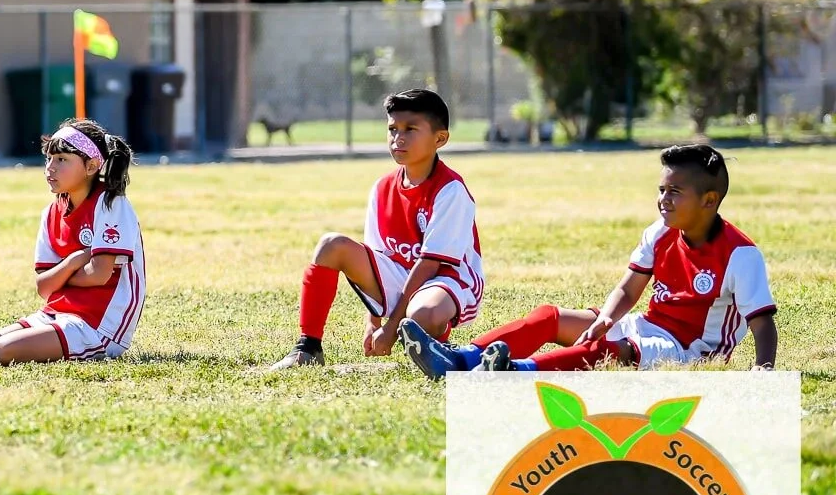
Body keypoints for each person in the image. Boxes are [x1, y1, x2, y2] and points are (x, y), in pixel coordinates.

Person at [404, 143, 778, 375]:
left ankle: (513, 372)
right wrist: (606, 319)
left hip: (689, 351)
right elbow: (628, 290)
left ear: (709, 200)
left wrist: (763, 371)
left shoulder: (740, 254)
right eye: (662, 189)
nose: (663, 199)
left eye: (675, 192)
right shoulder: (660, 232)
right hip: (646, 326)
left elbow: (762, 323)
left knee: (612, 352)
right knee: (550, 317)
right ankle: (461, 360)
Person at [264, 87, 484, 370]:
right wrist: (373, 321)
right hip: (403, 273)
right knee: (331, 245)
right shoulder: (382, 188)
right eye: (392, 129)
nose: (398, 138)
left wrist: (391, 328)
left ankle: (437, 341)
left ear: (439, 139)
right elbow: (377, 256)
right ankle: (308, 347)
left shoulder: (451, 190)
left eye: (410, 129)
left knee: (423, 314)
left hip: (448, 279)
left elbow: (430, 264)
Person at [0, 119, 144, 366]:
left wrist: (60, 277)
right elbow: (44, 288)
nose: (50, 168)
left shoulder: (111, 203)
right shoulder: (50, 213)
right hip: (56, 312)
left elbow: (99, 275)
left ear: (91, 166)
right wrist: (73, 261)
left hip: (97, 325)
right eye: (49, 159)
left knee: (3, 350)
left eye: (62, 159)